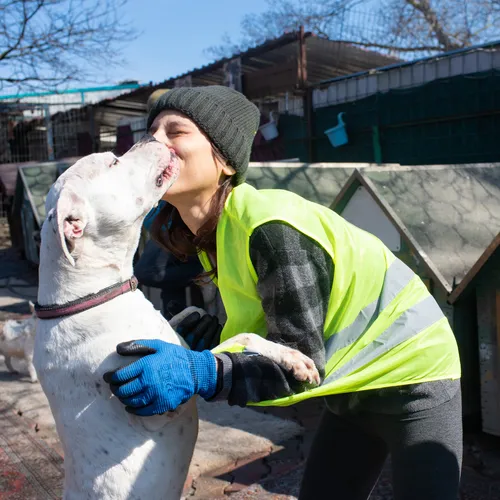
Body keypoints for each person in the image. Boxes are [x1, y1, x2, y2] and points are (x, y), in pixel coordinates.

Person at [103, 86, 463, 500]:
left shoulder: (269, 228)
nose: (155, 143)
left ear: (223, 159)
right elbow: (278, 333)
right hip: (352, 387)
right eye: (151, 133)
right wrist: (221, 341)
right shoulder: (213, 232)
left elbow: (295, 368)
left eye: (176, 131)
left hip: (413, 377)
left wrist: (204, 372)